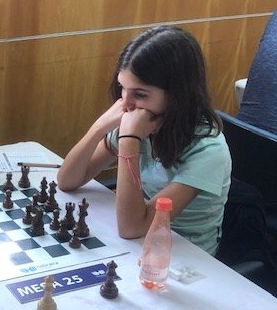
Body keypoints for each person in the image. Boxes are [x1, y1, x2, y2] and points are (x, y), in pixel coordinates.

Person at [57, 26, 231, 256]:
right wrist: (99, 127)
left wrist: (129, 140)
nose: (125, 103)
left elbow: (131, 227)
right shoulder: (143, 120)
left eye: (139, 94)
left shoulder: (209, 150)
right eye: (122, 88)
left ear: (176, 95)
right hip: (139, 241)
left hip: (185, 255)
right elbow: (67, 181)